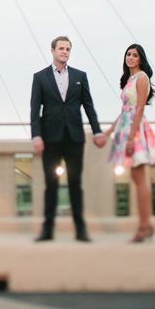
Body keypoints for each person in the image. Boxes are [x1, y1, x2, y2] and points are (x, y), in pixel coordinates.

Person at [95, 44, 155, 243]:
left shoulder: (142, 78)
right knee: (137, 180)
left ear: (140, 59)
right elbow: (125, 110)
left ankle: (145, 227)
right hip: (125, 127)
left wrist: (131, 138)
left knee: (139, 179)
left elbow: (139, 110)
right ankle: (144, 226)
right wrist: (109, 132)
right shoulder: (129, 79)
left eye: (135, 55)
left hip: (134, 131)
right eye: (128, 54)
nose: (130, 58)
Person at [31, 36, 102, 242]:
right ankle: (47, 230)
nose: (65, 51)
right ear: (52, 51)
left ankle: (80, 230)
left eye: (68, 49)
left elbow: (88, 106)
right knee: (50, 185)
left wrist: (97, 131)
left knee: (75, 183)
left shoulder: (81, 76)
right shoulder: (40, 77)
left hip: (74, 137)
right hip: (49, 138)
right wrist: (36, 136)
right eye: (61, 48)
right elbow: (35, 110)